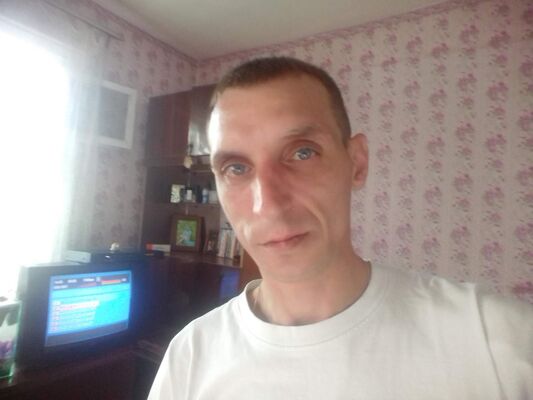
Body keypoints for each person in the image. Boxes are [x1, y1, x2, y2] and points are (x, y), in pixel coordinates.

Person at [148, 57, 533, 399]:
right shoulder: (190, 356)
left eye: (302, 152)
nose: (269, 204)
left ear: (357, 163)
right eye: (236, 168)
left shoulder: (496, 342)